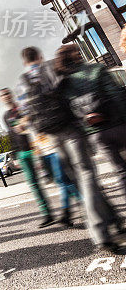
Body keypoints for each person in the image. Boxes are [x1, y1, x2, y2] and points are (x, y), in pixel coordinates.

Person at [20, 46, 123, 253]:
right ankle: (100, 234)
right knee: (87, 176)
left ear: (25, 61)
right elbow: (70, 92)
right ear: (39, 55)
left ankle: (112, 218)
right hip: (71, 130)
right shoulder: (50, 67)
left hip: (51, 136)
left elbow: (25, 117)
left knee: (80, 181)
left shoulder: (22, 82)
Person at [61, 41, 126, 200]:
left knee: (121, 172)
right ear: (79, 54)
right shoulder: (97, 69)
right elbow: (117, 96)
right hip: (117, 124)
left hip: (95, 133)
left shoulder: (66, 81)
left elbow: (71, 110)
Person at [0, 87, 55, 228]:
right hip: (22, 153)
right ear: (1, 99)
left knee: (56, 177)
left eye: (7, 93)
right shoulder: (6, 116)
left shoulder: (22, 108)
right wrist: (15, 155)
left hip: (36, 148)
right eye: (2, 95)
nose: (5, 97)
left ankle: (80, 202)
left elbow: (33, 121)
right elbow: (11, 136)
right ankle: (47, 213)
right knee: (34, 184)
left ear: (11, 95)